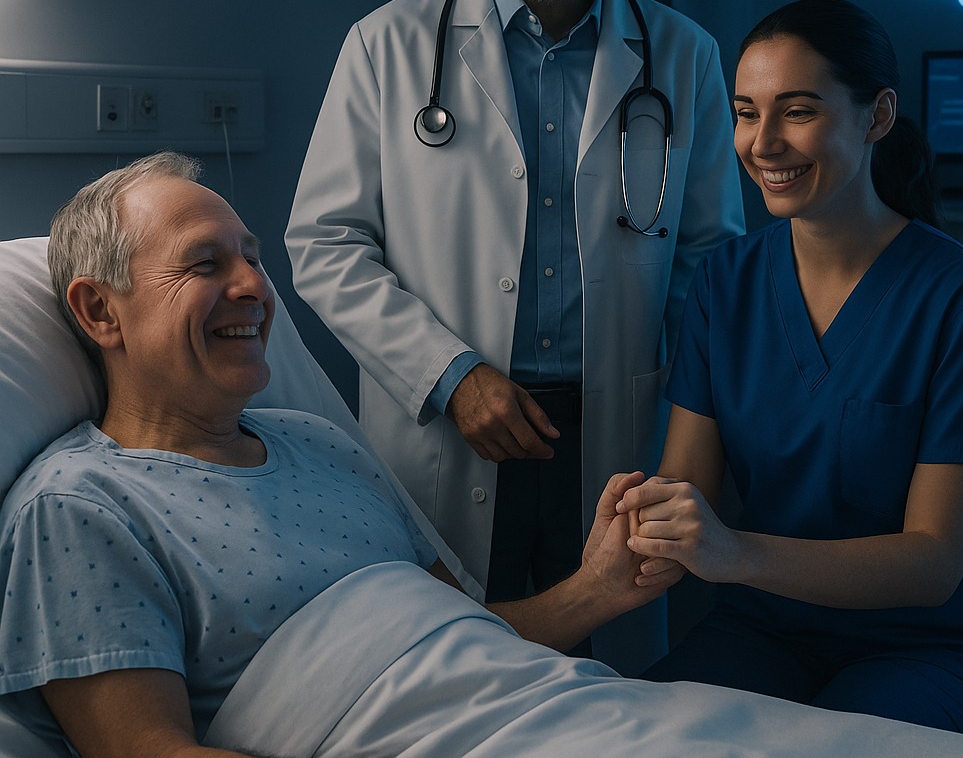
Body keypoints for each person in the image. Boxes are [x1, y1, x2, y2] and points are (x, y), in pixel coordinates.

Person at [284, 0, 743, 668]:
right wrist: (452, 375)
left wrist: (688, 437)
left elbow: (708, 265)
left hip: (614, 437)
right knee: (442, 673)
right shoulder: (388, 45)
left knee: (608, 695)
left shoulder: (682, 57)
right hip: (444, 430)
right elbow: (324, 244)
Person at [0, 152, 680, 758]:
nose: (255, 289)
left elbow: (462, 645)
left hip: (555, 710)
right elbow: (145, 751)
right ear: (99, 311)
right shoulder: (79, 507)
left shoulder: (320, 441)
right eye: (206, 263)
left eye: (253, 259)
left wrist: (598, 587)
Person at [617, 0, 963, 739]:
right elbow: (687, 490)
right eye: (746, 113)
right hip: (761, 633)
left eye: (796, 111)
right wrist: (648, 519)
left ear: (877, 116)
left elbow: (932, 563)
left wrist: (734, 552)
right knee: (634, 735)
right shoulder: (724, 284)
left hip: (927, 646)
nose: (763, 143)